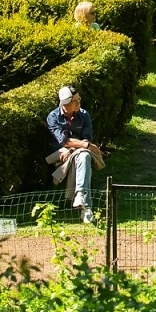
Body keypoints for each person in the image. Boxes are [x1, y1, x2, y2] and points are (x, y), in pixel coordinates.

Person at [46, 86, 99, 220]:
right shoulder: (53, 117)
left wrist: (73, 149)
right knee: (84, 156)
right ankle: (86, 208)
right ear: (66, 104)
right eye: (75, 101)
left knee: (84, 156)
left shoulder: (84, 115)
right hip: (60, 155)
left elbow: (87, 137)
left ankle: (81, 197)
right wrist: (83, 145)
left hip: (76, 152)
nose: (79, 103)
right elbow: (63, 141)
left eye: (79, 99)